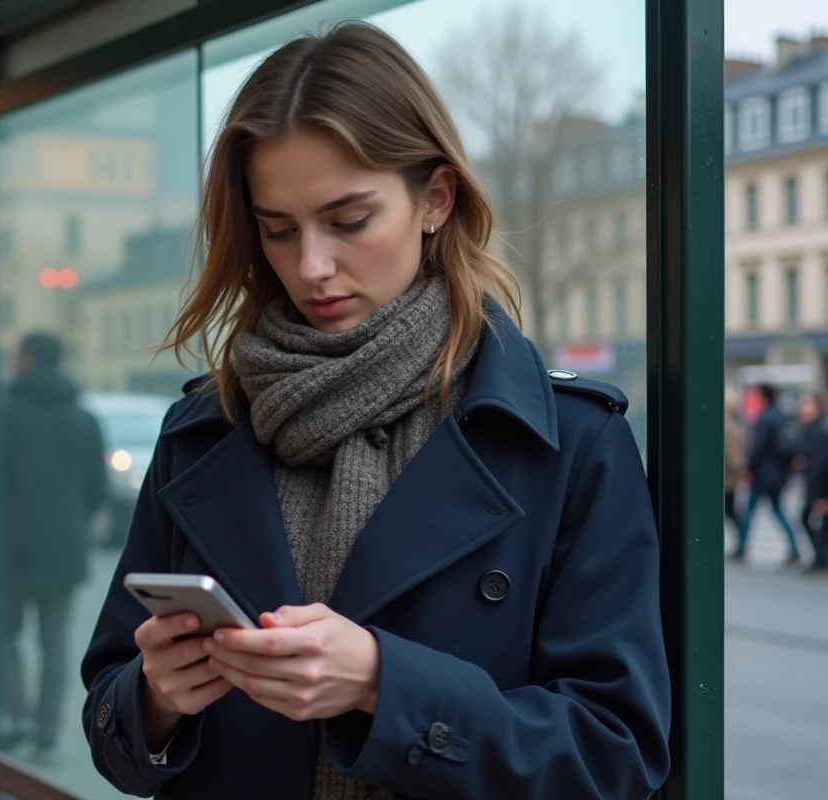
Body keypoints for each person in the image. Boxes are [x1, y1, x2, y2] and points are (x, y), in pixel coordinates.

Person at [81, 22, 670, 799]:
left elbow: (614, 756)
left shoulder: (568, 443)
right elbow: (110, 724)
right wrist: (155, 698)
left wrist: (384, 687)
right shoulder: (203, 432)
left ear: (435, 198)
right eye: (278, 230)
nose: (310, 267)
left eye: (349, 221)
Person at [0, 332, 107, 763]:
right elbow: (96, 490)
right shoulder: (84, 418)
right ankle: (46, 732)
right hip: (63, 547)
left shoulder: (3, 413)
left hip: (8, 546)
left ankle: (17, 715)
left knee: (4, 634)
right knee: (56, 641)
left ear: (25, 360)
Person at [734, 383, 801, 563]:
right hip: (780, 473)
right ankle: (795, 549)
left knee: (749, 511)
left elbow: (758, 448)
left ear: (763, 397)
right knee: (778, 510)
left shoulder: (765, 418)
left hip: (763, 474)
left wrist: (748, 468)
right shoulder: (784, 416)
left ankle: (741, 547)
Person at [797, 392, 828, 571]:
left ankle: (820, 557)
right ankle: (821, 556)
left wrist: (821, 495)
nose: (803, 409)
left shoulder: (819, 430)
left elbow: (821, 465)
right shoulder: (811, 428)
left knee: (808, 518)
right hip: (816, 485)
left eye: (807, 404)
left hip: (820, 487)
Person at [725, 392, 746, 532]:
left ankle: (743, 535)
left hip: (728, 478)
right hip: (730, 476)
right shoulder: (734, 425)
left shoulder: (728, 426)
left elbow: (734, 458)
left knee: (730, 510)